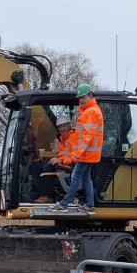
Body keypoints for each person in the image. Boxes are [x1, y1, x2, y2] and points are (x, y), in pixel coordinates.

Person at [52, 84, 104, 213]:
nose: (81, 100)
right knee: (86, 178)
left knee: (76, 177)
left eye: (83, 97)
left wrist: (77, 154)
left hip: (86, 153)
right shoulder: (90, 110)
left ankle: (64, 203)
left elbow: (88, 137)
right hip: (88, 153)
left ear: (90, 96)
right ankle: (90, 205)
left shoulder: (90, 112)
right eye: (79, 98)